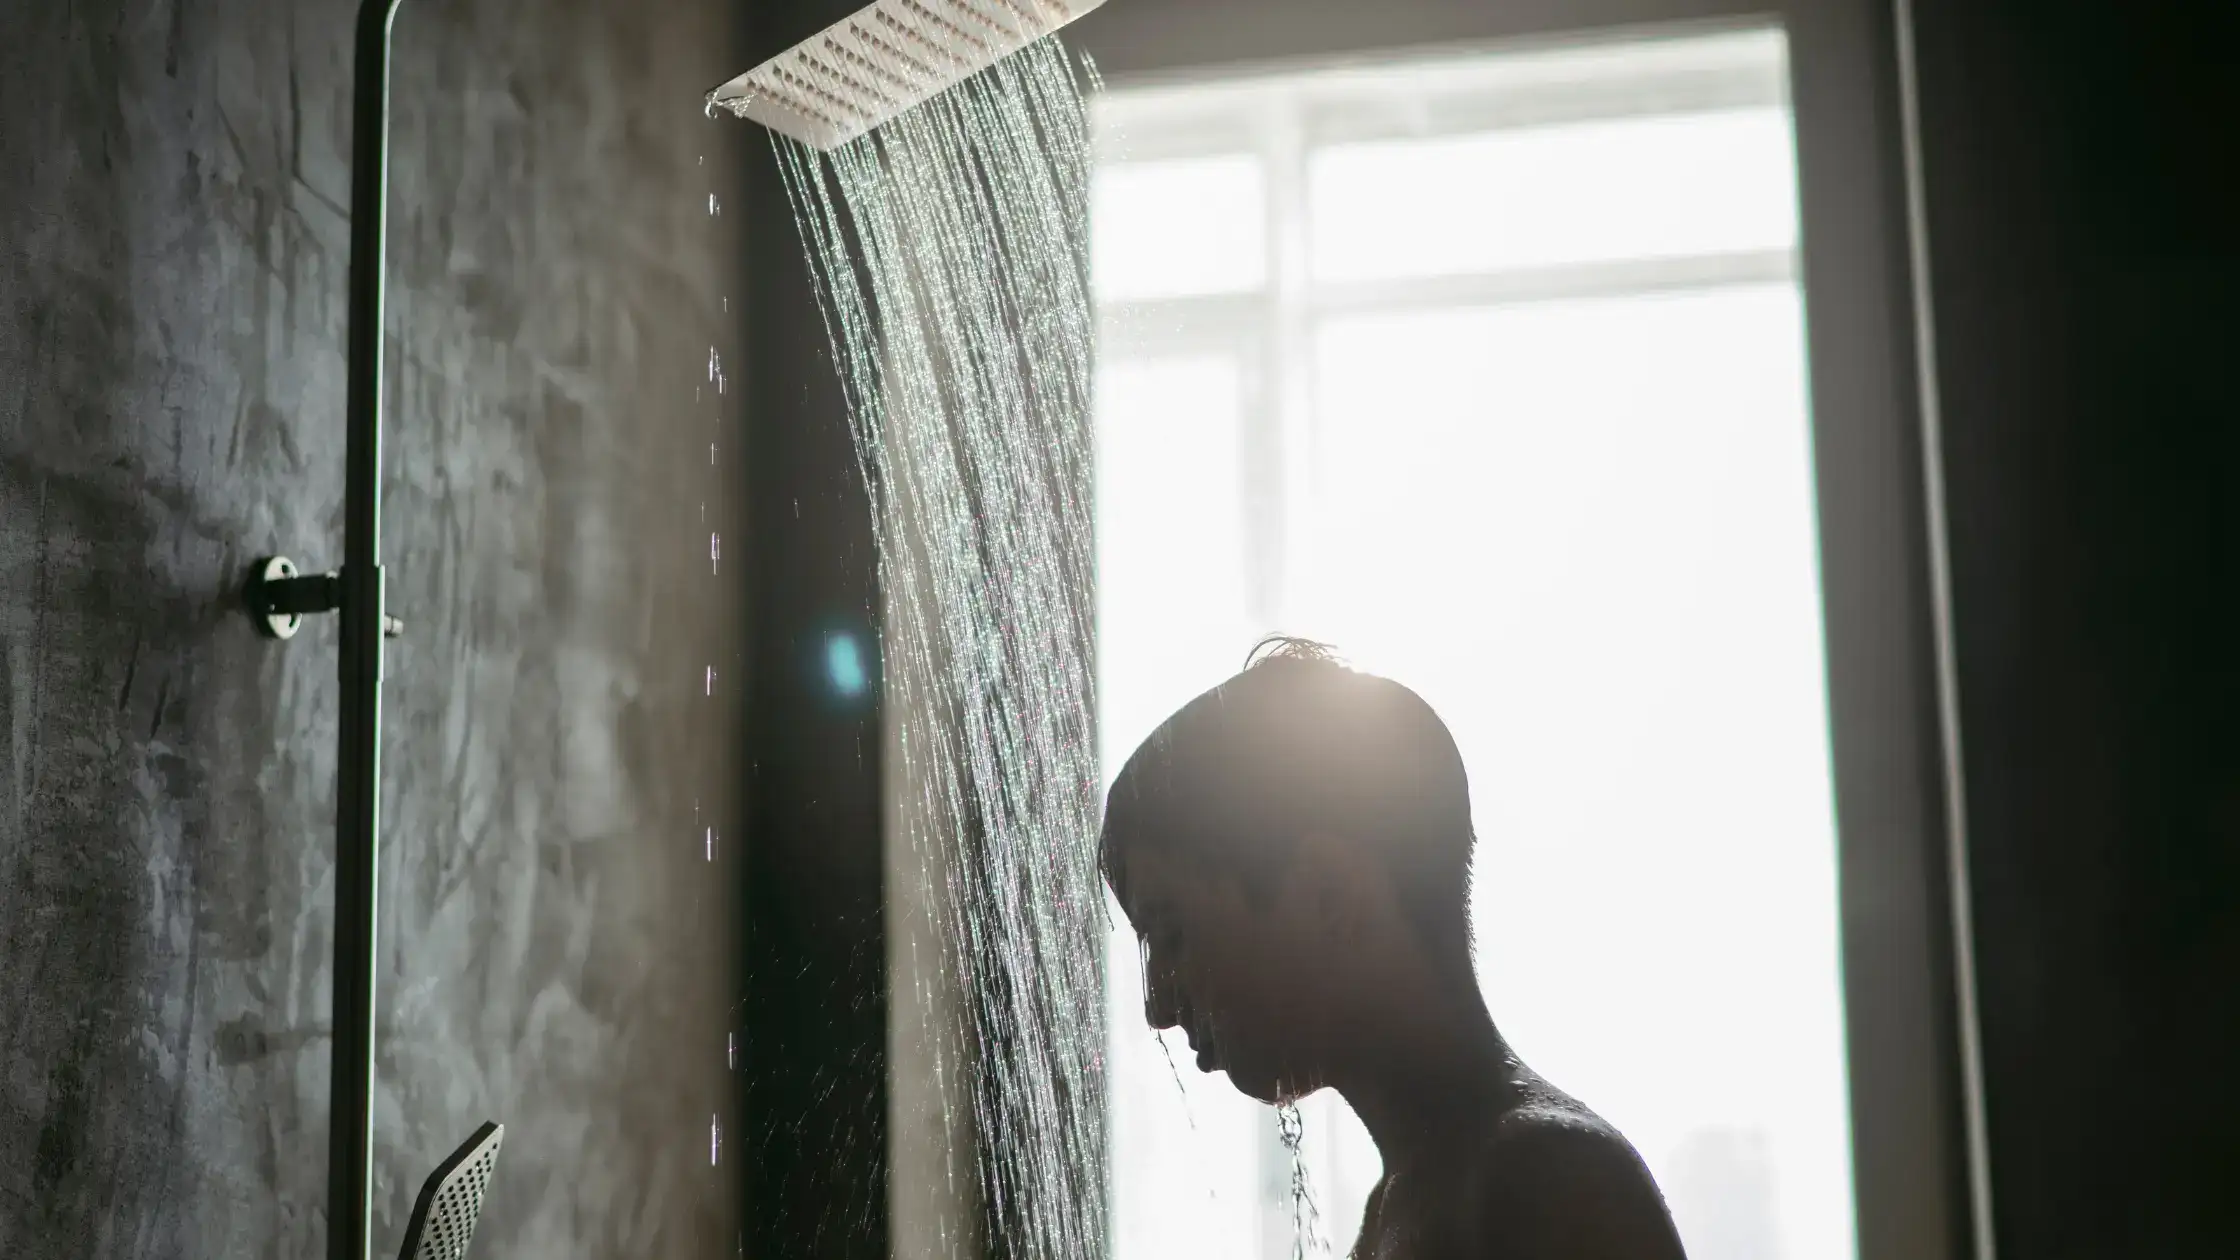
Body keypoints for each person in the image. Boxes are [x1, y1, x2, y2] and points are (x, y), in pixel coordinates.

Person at [1100, 637, 1689, 1260]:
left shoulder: (1551, 1185)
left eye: (1170, 935)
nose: (1158, 1005)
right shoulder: (1411, 1200)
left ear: (1330, 896)